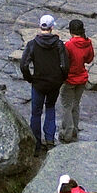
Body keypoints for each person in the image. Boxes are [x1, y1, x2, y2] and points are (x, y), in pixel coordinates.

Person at [20, 14, 68, 146]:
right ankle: (50, 140)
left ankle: (36, 143)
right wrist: (62, 78)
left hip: (38, 83)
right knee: (50, 108)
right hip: (54, 83)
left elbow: (24, 65)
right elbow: (64, 65)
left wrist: (30, 78)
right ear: (52, 28)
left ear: (40, 26)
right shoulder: (59, 45)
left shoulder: (32, 44)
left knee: (36, 113)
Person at [61, 18, 96, 143]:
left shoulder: (69, 45)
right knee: (76, 105)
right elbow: (89, 59)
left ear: (71, 31)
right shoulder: (88, 43)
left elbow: (64, 62)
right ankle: (75, 129)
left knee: (66, 106)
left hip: (70, 79)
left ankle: (67, 132)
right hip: (82, 78)